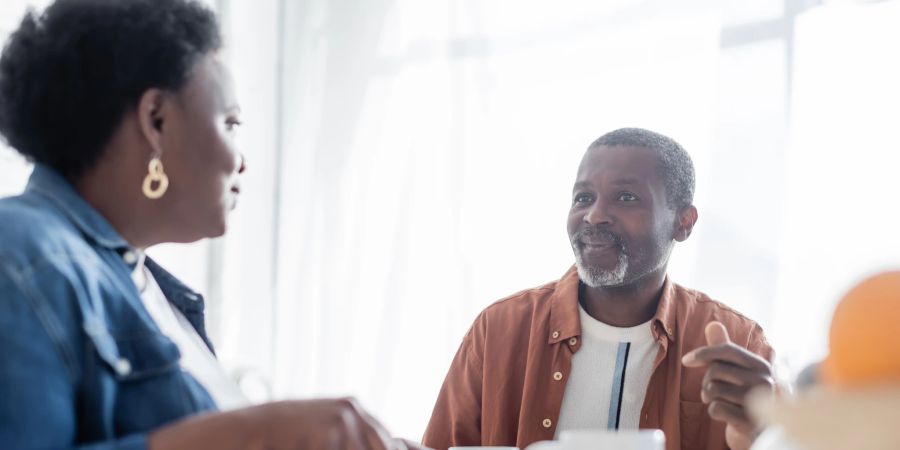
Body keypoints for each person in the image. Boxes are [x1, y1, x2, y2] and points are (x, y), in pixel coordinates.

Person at [0, 1, 418, 449]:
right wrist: (256, 433)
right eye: (231, 123)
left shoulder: (155, 293)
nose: (242, 161)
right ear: (155, 119)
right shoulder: (23, 254)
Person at [422, 128, 776, 450]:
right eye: (583, 198)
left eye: (625, 197)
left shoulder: (738, 343)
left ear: (683, 222)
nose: (593, 215)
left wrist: (762, 437)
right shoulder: (499, 329)